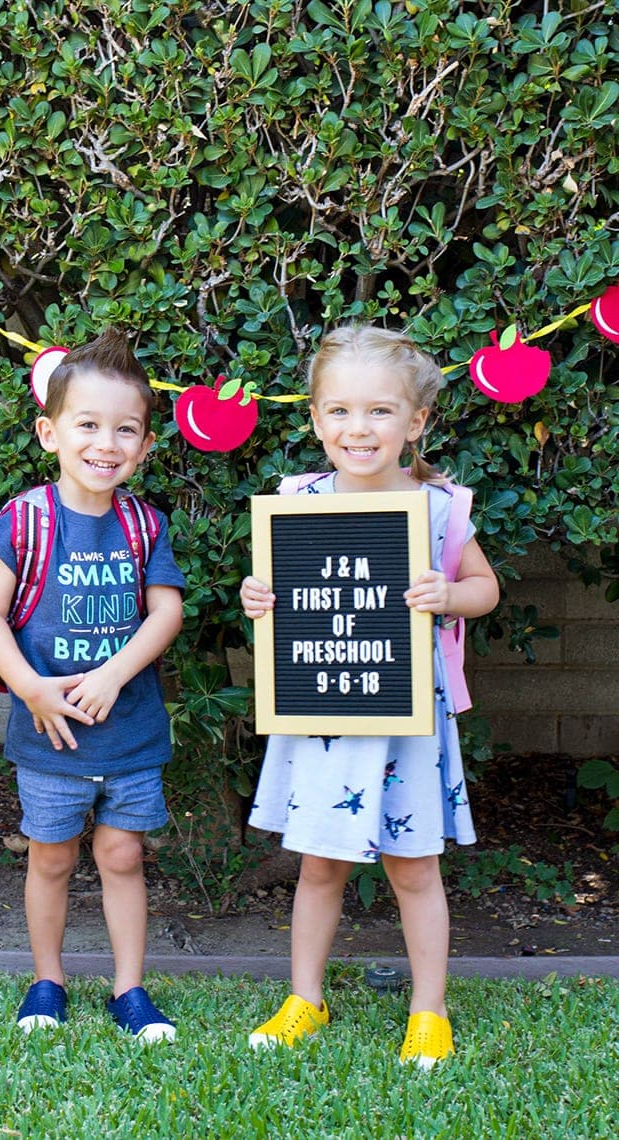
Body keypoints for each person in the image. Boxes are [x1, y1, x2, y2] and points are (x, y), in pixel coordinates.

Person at [240, 324, 499, 1066]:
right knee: (318, 862)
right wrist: (260, 596)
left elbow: (486, 589)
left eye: (381, 411)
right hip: (321, 710)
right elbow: (270, 591)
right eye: (341, 412)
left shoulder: (441, 509)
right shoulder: (294, 502)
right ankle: (304, 999)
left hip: (409, 720)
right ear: (316, 419)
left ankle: (429, 1011)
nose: (360, 429)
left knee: (414, 866)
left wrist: (449, 593)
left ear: (416, 422)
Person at [0, 329, 185, 1040]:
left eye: (126, 429)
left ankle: (129, 989)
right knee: (52, 856)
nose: (107, 443)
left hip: (128, 731)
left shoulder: (143, 525)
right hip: (50, 733)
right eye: (88, 425)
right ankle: (47, 981)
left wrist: (117, 671)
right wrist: (31, 686)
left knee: (122, 856)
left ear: (146, 446)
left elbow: (167, 611)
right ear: (50, 432)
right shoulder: (26, 521)